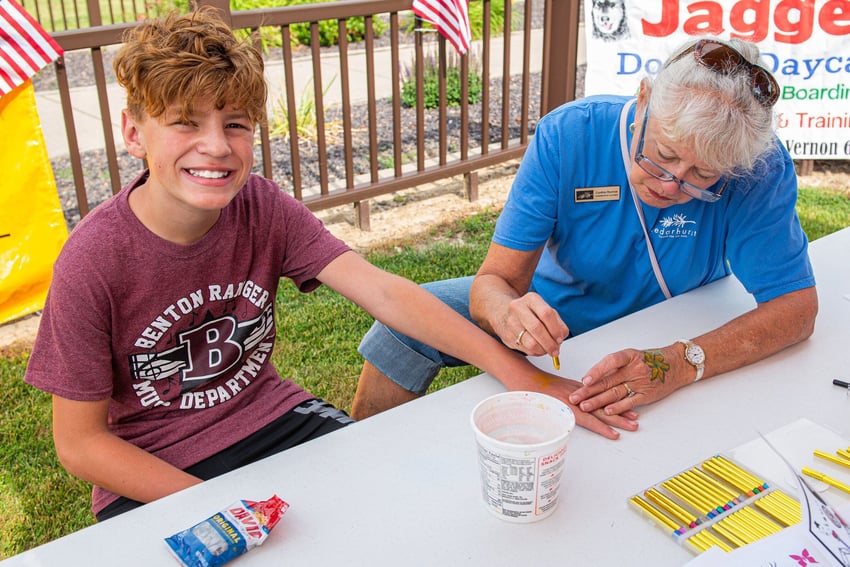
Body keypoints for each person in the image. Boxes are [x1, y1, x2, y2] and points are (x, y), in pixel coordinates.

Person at [24, 8, 636, 522]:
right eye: (185, 122)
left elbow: (388, 295)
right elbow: (80, 445)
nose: (215, 146)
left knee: (408, 510)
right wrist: (219, 507)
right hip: (153, 465)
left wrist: (518, 374)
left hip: (268, 416)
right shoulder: (93, 261)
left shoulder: (261, 205)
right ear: (133, 133)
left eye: (234, 125)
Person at [352, 37, 817, 426]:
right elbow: (493, 284)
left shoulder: (760, 165)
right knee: (403, 324)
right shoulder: (570, 133)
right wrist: (509, 313)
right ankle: (360, 446)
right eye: (664, 154)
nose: (670, 184)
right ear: (643, 100)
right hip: (557, 305)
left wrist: (679, 362)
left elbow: (795, 307)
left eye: (703, 176)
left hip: (678, 316)